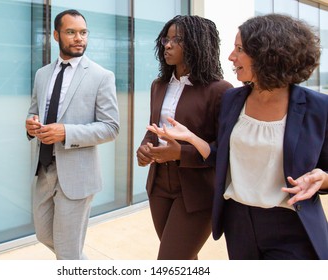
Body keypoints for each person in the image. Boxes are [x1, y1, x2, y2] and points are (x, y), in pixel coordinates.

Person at [147, 13, 328, 260]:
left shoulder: (318, 107)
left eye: (239, 49)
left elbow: (325, 171)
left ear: (268, 54)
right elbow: (220, 156)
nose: (231, 56)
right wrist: (190, 137)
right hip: (238, 223)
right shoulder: (234, 99)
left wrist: (323, 178)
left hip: (291, 224)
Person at [136, 15, 233, 260]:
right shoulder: (159, 85)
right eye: (166, 39)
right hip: (158, 185)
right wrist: (145, 148)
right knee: (184, 261)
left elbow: (224, 150)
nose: (167, 45)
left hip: (196, 191)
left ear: (198, 44)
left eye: (176, 40)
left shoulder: (220, 90)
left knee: (170, 262)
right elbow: (153, 129)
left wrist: (180, 153)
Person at [25, 9, 119, 260]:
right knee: (44, 235)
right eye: (71, 32)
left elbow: (111, 127)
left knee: (67, 253)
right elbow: (34, 111)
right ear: (56, 35)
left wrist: (66, 132)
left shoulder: (101, 76)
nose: (79, 38)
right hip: (44, 170)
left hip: (77, 176)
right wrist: (30, 125)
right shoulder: (42, 74)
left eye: (83, 32)